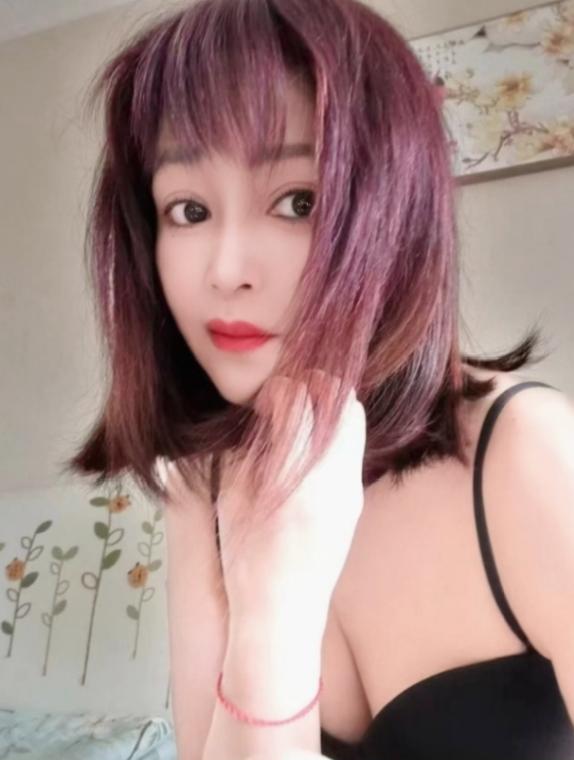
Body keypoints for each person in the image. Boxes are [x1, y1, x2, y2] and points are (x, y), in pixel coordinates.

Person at [62, 0, 574, 758]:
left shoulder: (524, 452)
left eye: (297, 201)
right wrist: (273, 607)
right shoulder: (200, 486)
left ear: (394, 214)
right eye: (189, 210)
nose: (226, 270)